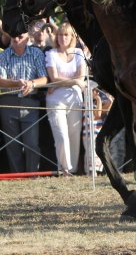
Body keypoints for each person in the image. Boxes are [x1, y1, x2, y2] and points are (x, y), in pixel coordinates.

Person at [0, 32, 48, 173]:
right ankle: (16, 175)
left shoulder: (36, 53)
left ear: (27, 38)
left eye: (20, 36)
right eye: (14, 36)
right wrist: (16, 83)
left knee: (32, 143)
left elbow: (44, 78)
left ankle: (31, 174)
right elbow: (0, 81)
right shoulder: (3, 55)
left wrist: (32, 83)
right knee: (12, 144)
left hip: (30, 101)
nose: (16, 38)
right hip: (8, 101)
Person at [45, 23, 86, 175]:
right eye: (60, 35)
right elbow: (53, 77)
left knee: (74, 135)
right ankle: (65, 170)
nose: (62, 38)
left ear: (72, 37)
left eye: (66, 35)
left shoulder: (78, 53)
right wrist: (74, 81)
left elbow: (81, 76)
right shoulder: (51, 54)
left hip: (75, 99)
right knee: (61, 135)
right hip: (56, 100)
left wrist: (62, 82)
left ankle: (73, 170)